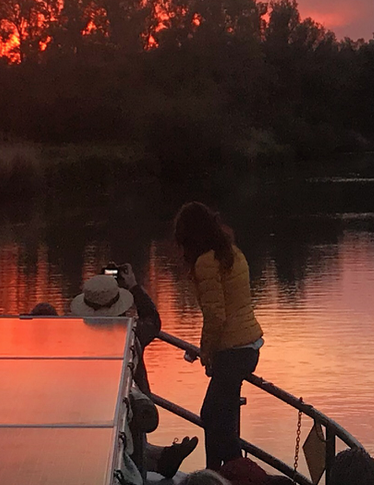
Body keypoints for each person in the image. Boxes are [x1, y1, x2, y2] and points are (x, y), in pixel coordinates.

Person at [73, 264, 198, 479]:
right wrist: (133, 286)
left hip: (89, 412)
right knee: (132, 446)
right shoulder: (133, 334)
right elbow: (152, 318)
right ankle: (159, 462)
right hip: (132, 408)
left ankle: (162, 459)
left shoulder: (74, 339)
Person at [173, 202, 264, 472]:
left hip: (232, 351)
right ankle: (222, 473)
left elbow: (216, 317)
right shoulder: (232, 253)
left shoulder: (206, 263)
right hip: (248, 347)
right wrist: (208, 350)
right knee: (221, 417)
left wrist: (206, 352)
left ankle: (225, 474)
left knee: (211, 415)